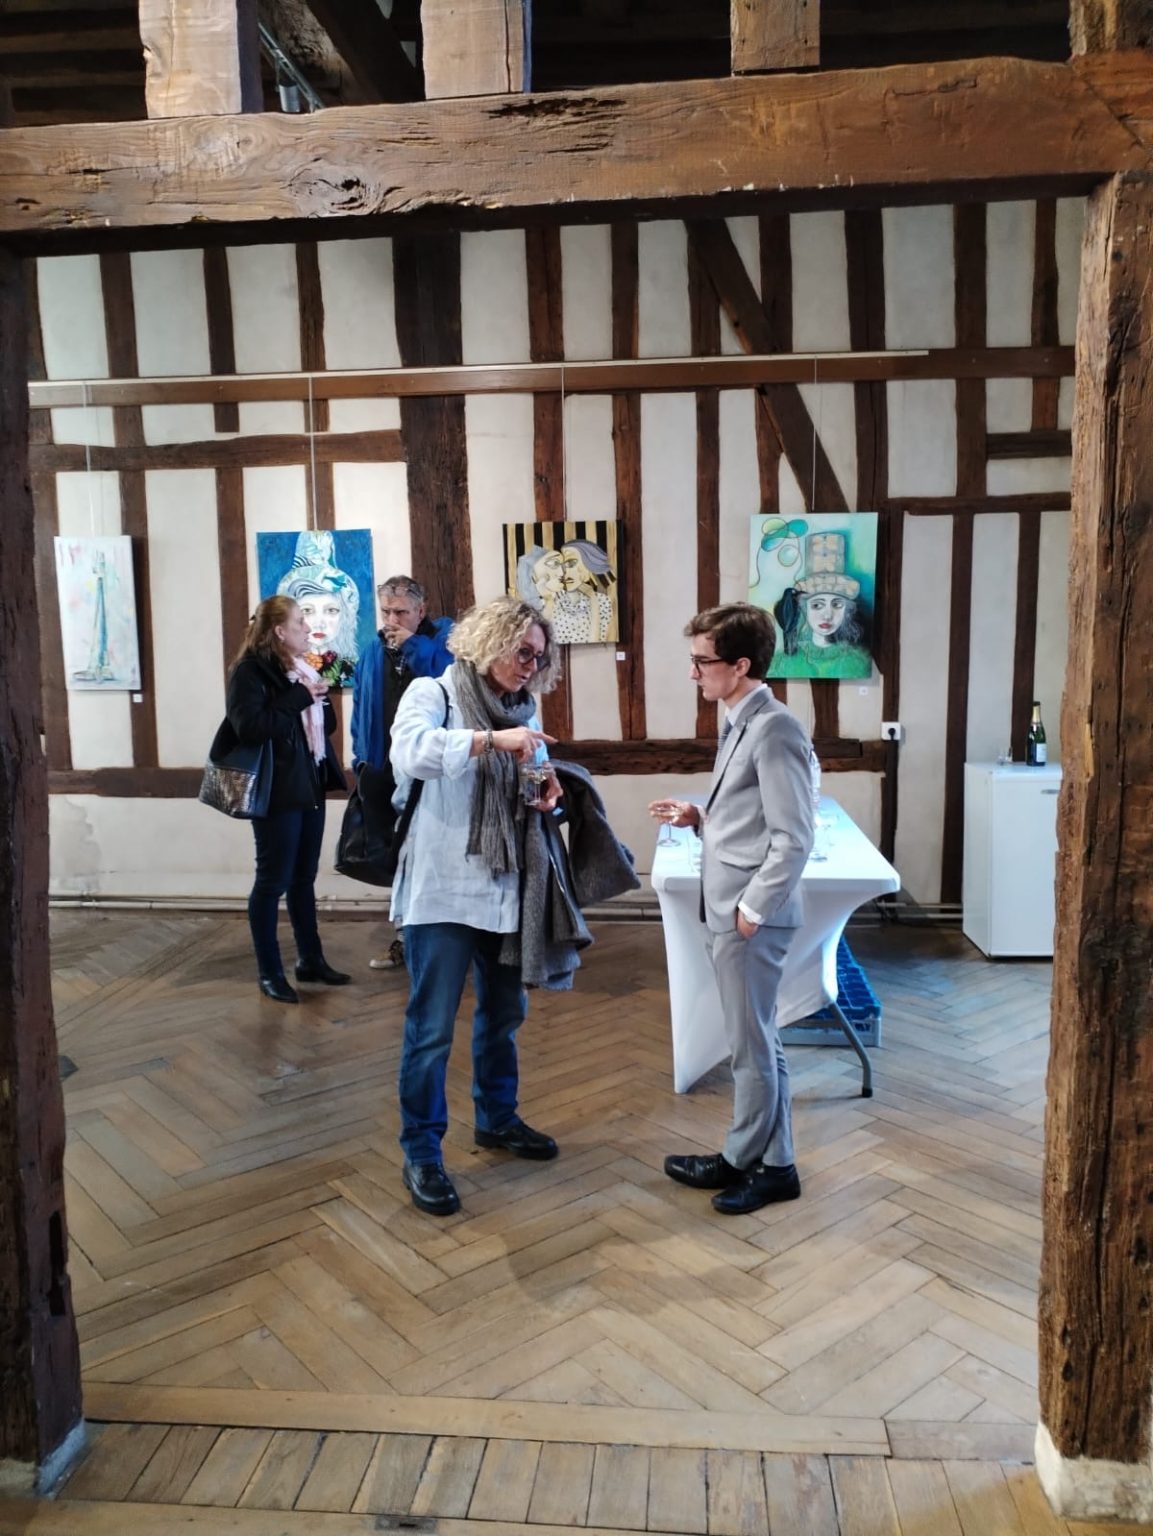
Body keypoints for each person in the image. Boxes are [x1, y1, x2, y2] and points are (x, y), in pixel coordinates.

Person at [388, 596, 565, 1217]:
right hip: (441, 888)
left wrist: (547, 790)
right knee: (432, 1029)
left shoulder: (524, 708)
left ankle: (496, 1118)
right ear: (491, 640)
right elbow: (412, 754)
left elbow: (532, 773)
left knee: (504, 1014)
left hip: (505, 884)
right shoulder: (433, 694)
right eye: (522, 651)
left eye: (538, 657)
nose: (530, 665)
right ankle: (422, 1152)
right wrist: (491, 740)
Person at [649, 602, 814, 1214]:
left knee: (751, 1049)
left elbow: (794, 836)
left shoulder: (775, 729)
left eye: (703, 661)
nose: (693, 673)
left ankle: (745, 1160)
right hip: (733, 907)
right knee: (759, 1043)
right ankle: (775, 1165)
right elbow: (754, 815)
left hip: (751, 917)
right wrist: (701, 817)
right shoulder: (742, 720)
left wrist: (754, 909)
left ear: (740, 665)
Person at [222, 596, 351, 1004]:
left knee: (303, 878)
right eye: (299, 621)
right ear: (279, 631)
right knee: (271, 881)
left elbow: (323, 726)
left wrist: (318, 696)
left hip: (308, 783)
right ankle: (270, 972)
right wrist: (300, 696)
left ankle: (310, 960)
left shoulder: (300, 667)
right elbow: (250, 727)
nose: (307, 627)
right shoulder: (250, 671)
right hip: (277, 790)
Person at [350, 575, 454, 969]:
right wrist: (361, 758)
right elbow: (360, 706)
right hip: (382, 767)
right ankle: (405, 940)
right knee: (394, 858)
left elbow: (449, 677)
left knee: (432, 855)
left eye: (401, 612)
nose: (392, 620)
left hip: (431, 769)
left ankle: (447, 944)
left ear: (421, 610)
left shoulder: (444, 640)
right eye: (386, 612)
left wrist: (411, 644)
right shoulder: (372, 650)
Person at [771, 532, 871, 680]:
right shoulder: (781, 663)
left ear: (847, 610)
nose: (827, 615)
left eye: (837, 604)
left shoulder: (858, 662)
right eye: (817, 605)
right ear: (804, 608)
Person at [276, 530, 362, 684]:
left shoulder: (353, 669)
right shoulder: (278, 669)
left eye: (331, 610)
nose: (319, 623)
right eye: (307, 611)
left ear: (345, 616)